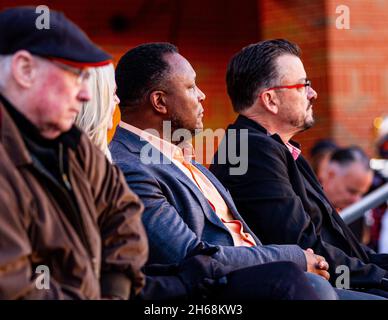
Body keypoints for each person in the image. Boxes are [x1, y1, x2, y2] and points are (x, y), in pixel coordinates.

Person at [109, 42, 381, 300]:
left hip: (278, 278)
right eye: (191, 87)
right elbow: (190, 256)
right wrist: (295, 258)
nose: (202, 95)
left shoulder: (181, 156)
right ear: (159, 102)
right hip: (229, 291)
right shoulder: (130, 167)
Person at [209, 39, 388, 297]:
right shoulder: (250, 152)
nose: (313, 94)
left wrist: (381, 268)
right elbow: (306, 248)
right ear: (270, 100)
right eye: (303, 85)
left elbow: (340, 245)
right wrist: (381, 278)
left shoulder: (276, 148)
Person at [0, 7, 147, 299]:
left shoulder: (72, 143)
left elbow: (122, 214)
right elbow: (14, 286)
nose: (86, 94)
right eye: (75, 76)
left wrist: (115, 291)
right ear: (24, 70)